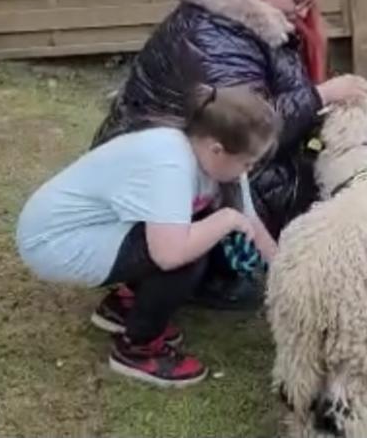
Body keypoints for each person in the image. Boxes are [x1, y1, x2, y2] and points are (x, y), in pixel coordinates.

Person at [90, 0, 367, 309]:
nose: (305, 12)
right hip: (156, 180)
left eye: (311, 0)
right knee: (286, 175)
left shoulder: (246, 18)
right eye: (299, 0)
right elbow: (246, 127)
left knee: (305, 162)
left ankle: (221, 265)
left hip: (180, 159)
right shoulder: (215, 35)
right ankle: (195, 277)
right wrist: (323, 95)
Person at [15, 83, 280, 388]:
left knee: (199, 227)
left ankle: (126, 305)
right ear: (216, 149)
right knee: (189, 250)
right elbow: (169, 254)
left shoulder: (212, 158)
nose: (250, 169)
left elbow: (251, 222)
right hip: (56, 242)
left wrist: (284, 275)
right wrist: (225, 219)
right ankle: (139, 349)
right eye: (247, 162)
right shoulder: (169, 161)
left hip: (103, 228)